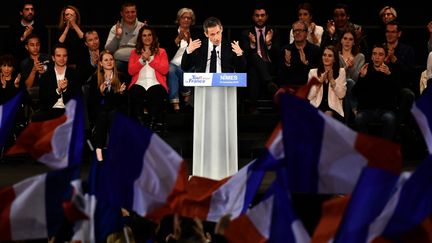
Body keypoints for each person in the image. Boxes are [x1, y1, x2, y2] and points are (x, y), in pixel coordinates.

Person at [353, 44, 400, 141]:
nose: (377, 57)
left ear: (385, 57)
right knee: (359, 118)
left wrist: (389, 76)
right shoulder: (365, 70)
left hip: (385, 110)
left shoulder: (389, 70)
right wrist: (362, 78)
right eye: (374, 54)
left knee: (390, 119)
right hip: (367, 110)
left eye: (380, 54)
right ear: (371, 56)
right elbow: (355, 93)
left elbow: (397, 92)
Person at [240, 3, 281, 114]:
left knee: (255, 70)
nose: (260, 18)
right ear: (253, 17)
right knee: (254, 60)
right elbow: (243, 56)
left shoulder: (273, 32)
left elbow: (278, 54)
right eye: (257, 15)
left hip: (269, 65)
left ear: (266, 16)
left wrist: (268, 44)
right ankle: (270, 84)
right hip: (253, 64)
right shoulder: (246, 33)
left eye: (262, 15)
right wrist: (252, 44)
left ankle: (253, 106)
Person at [128, 25, 169, 133]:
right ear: (140, 38)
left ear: (153, 37)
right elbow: (131, 71)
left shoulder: (162, 51)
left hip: (156, 82)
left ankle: (151, 125)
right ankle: (141, 124)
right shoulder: (134, 52)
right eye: (144, 35)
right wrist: (142, 59)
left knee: (156, 92)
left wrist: (150, 59)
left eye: (149, 35)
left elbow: (165, 70)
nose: (147, 37)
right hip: (139, 82)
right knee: (135, 92)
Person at [88, 50, 127, 161]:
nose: (109, 62)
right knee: (102, 115)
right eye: (106, 60)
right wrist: (100, 93)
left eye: (111, 59)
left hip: (116, 109)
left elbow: (123, 102)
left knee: (112, 114)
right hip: (100, 111)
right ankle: (99, 153)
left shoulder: (121, 77)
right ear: (100, 63)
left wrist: (120, 93)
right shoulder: (95, 78)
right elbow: (91, 100)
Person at [164, 7, 198, 113]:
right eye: (184, 17)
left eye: (189, 18)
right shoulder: (170, 32)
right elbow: (165, 52)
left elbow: (197, 55)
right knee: (171, 69)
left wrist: (189, 41)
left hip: (189, 65)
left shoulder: (196, 34)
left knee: (188, 70)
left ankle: (183, 97)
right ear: (179, 19)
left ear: (192, 21)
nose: (186, 20)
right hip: (173, 63)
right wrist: (177, 40)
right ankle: (177, 103)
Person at [105, 1, 146, 83]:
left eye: (133, 12)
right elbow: (108, 49)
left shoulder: (143, 27)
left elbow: (149, 47)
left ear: (136, 12)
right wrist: (117, 36)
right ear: (122, 14)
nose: (130, 15)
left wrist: (143, 36)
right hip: (120, 61)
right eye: (127, 12)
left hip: (138, 60)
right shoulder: (116, 28)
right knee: (117, 66)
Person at [278, 20, 321, 92]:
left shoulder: (316, 50)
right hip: (290, 87)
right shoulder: (285, 50)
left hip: (309, 88)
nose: (297, 32)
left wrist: (306, 63)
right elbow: (280, 77)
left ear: (306, 33)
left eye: (300, 30)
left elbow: (318, 75)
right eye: (295, 31)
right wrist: (287, 64)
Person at [38, 43, 78, 119]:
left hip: (68, 111)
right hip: (50, 110)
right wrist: (58, 91)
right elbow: (43, 99)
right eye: (58, 56)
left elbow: (76, 97)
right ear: (53, 58)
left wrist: (65, 89)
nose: (62, 59)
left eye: (64, 56)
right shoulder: (45, 75)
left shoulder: (74, 74)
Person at [307, 45, 346, 121]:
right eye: (324, 55)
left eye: (330, 56)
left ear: (334, 59)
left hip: (334, 109)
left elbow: (341, 95)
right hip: (316, 107)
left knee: (327, 114)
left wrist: (332, 80)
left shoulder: (341, 72)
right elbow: (309, 96)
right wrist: (319, 82)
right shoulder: (313, 72)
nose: (326, 57)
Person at [337, 29, 365, 123]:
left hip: (355, 89)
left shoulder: (360, 57)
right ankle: (355, 110)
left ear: (354, 43)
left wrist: (352, 67)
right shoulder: (336, 56)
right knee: (347, 84)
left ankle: (344, 124)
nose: (347, 41)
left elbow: (357, 79)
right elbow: (337, 76)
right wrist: (346, 67)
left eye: (350, 39)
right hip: (337, 88)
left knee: (349, 83)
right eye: (345, 38)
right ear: (341, 40)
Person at [19, 33, 50, 114]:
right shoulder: (24, 63)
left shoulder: (48, 58)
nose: (35, 47)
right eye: (32, 45)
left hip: (48, 91)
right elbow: (28, 86)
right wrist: (34, 70)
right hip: (32, 94)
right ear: (27, 47)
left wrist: (44, 74)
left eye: (37, 44)